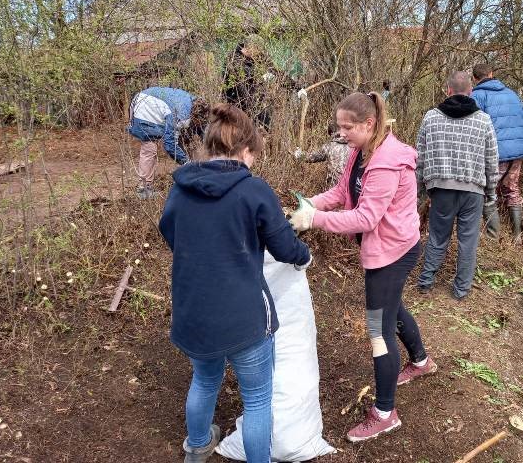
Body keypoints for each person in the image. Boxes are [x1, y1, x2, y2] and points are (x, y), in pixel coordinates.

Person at [159, 104, 312, 463]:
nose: (254, 163)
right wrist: (304, 255)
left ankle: (197, 446)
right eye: (254, 156)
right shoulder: (253, 190)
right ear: (245, 151)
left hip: (193, 312)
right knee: (258, 397)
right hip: (244, 317)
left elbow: (170, 233)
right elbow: (284, 246)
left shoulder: (180, 189)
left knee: (205, 379)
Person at [288, 92, 435, 443]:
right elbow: (341, 191)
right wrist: (310, 204)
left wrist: (315, 220)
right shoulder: (361, 150)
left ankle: (385, 413)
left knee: (377, 330)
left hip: (393, 253)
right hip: (387, 249)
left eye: (347, 127)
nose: (341, 134)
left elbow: (366, 218)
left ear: (368, 124)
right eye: (339, 126)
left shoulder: (386, 163)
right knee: (392, 307)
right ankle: (420, 362)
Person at [415, 71, 499, 299]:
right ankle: (461, 289)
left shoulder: (430, 117)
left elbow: (420, 157)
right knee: (468, 242)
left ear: (448, 90)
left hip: (440, 188)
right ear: (471, 91)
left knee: (437, 237)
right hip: (473, 191)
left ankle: (425, 281)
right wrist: (491, 192)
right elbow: (492, 161)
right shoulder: (484, 120)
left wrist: (420, 191)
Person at [471, 63, 523, 240]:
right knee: (512, 188)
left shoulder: (476, 96)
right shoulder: (511, 93)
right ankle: (517, 236)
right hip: (517, 151)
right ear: (491, 74)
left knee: (487, 190)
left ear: (474, 78)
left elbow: (473, 126)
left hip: (493, 153)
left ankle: (493, 237)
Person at [127, 87, 209, 199]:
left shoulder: (198, 105)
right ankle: (143, 189)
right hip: (143, 107)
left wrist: (211, 152)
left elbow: (203, 129)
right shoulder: (179, 114)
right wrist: (187, 163)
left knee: (185, 136)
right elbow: (170, 144)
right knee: (149, 147)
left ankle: (189, 173)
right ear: (193, 117)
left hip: (156, 103)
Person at [293, 120, 351, 186]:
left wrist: (299, 154)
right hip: (352, 188)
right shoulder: (354, 145)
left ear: (332, 133)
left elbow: (312, 157)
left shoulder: (329, 146)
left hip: (334, 187)